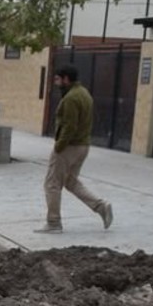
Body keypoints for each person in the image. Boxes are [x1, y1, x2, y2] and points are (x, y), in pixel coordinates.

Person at [37, 65, 113, 233]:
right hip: (83, 145)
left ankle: (53, 222)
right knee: (70, 182)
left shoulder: (71, 98)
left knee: (52, 184)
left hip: (69, 147)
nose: (56, 83)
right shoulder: (85, 94)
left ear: (66, 79)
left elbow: (69, 126)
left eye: (58, 79)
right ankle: (101, 207)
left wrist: (59, 146)